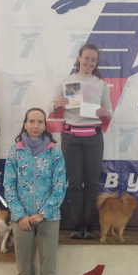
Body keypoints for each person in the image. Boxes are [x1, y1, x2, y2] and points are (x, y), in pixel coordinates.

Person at [3, 108, 66, 275]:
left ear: (45, 125)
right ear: (25, 124)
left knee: (48, 268)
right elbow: (9, 186)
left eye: (40, 122)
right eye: (32, 121)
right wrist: (20, 214)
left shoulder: (55, 153)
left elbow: (60, 186)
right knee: (24, 268)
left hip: (48, 219)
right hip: (21, 220)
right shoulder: (15, 152)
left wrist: (43, 213)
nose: (36, 125)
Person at [51, 43, 112, 239]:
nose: (89, 62)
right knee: (75, 182)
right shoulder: (67, 81)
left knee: (92, 182)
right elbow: (52, 107)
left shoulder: (100, 84)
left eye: (93, 60)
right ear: (79, 58)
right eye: (86, 58)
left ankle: (89, 224)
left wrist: (105, 112)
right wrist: (56, 104)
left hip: (93, 137)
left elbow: (109, 111)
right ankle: (77, 224)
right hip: (71, 138)